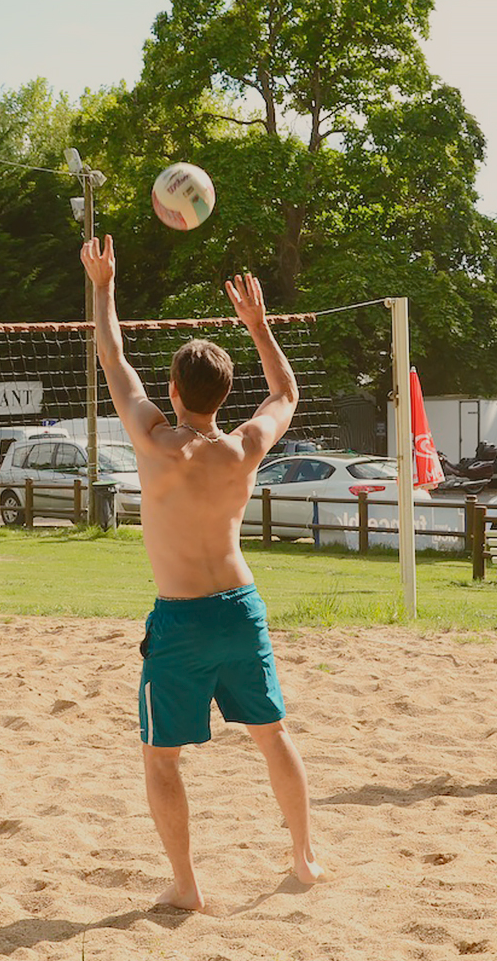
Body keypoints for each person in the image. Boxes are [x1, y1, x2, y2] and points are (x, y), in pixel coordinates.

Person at [80, 234, 323, 911]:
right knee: (272, 734)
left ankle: (186, 886)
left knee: (162, 758)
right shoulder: (244, 445)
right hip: (241, 607)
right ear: (224, 392)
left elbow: (112, 355)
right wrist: (258, 324)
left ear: (171, 391)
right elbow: (286, 391)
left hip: (182, 619)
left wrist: (104, 284)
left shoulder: (155, 440)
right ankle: (302, 856)